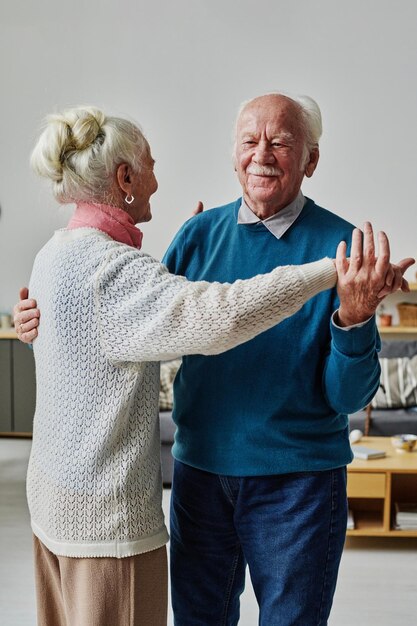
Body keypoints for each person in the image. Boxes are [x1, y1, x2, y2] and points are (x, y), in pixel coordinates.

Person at [14, 99, 412, 626]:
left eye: (281, 142)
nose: (262, 155)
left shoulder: (345, 251)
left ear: (310, 160)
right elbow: (155, 320)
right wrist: (41, 316)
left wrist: (356, 317)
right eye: (249, 141)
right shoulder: (197, 236)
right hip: (200, 477)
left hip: (297, 486)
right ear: (233, 155)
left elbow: (348, 397)